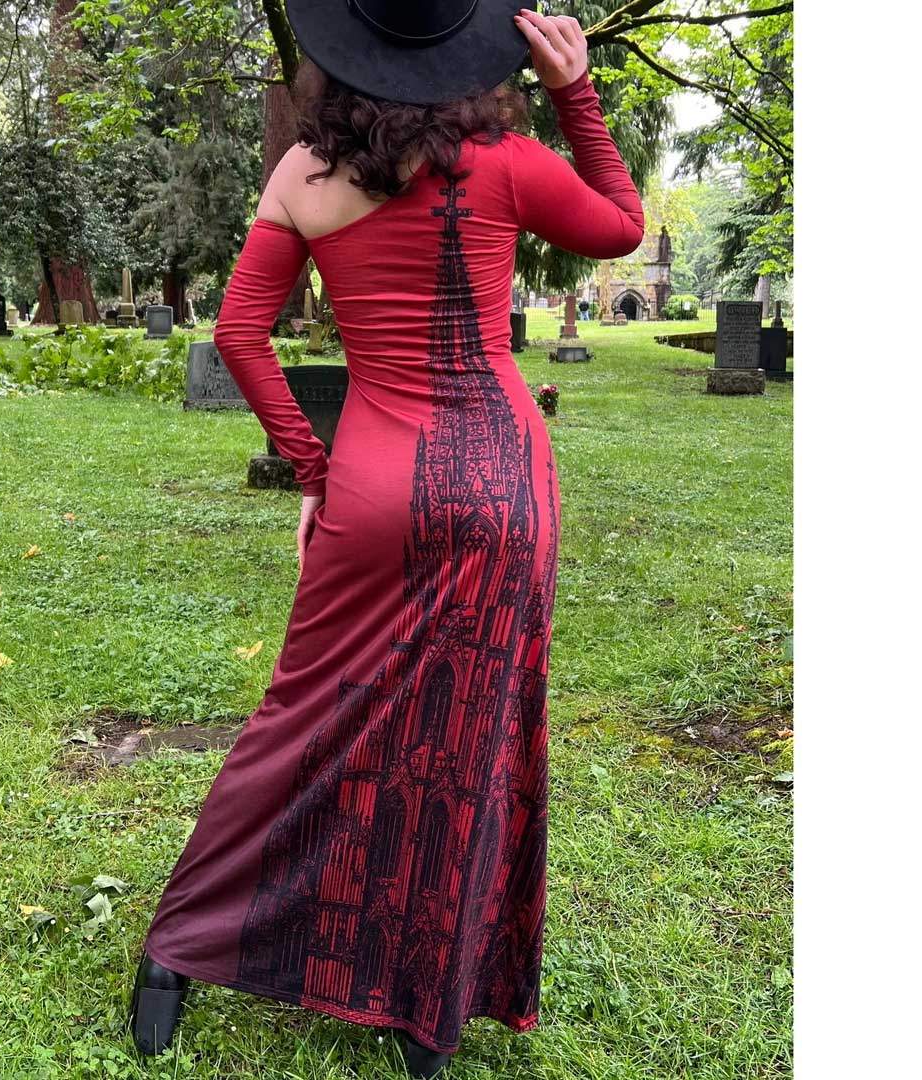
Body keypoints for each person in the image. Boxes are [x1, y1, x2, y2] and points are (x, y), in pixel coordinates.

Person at [129, 3, 644, 1076]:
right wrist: (575, 94)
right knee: (469, 740)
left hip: (376, 485)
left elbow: (238, 333)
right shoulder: (507, 158)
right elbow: (620, 226)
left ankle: (176, 956)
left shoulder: (305, 179)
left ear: (342, 54)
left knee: (298, 719)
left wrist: (311, 472)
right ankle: (424, 1007)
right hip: (505, 482)